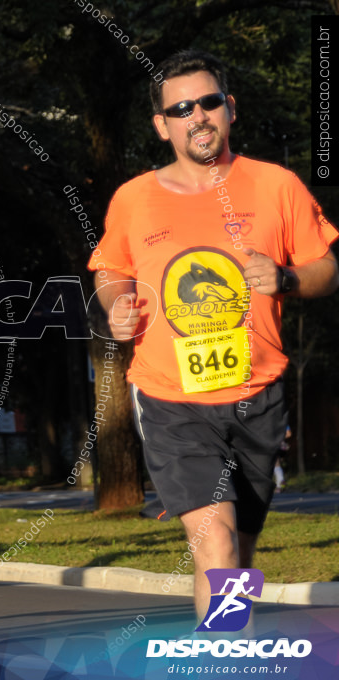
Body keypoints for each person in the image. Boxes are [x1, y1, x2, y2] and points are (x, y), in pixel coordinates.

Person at [89, 50, 339, 622]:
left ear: (230, 109)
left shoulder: (277, 185)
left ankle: (229, 642)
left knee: (240, 552)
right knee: (217, 547)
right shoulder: (134, 197)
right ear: (162, 125)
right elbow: (110, 268)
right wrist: (116, 304)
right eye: (181, 108)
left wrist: (287, 277)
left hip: (259, 394)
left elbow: (326, 270)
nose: (197, 115)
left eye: (208, 102)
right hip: (171, 400)